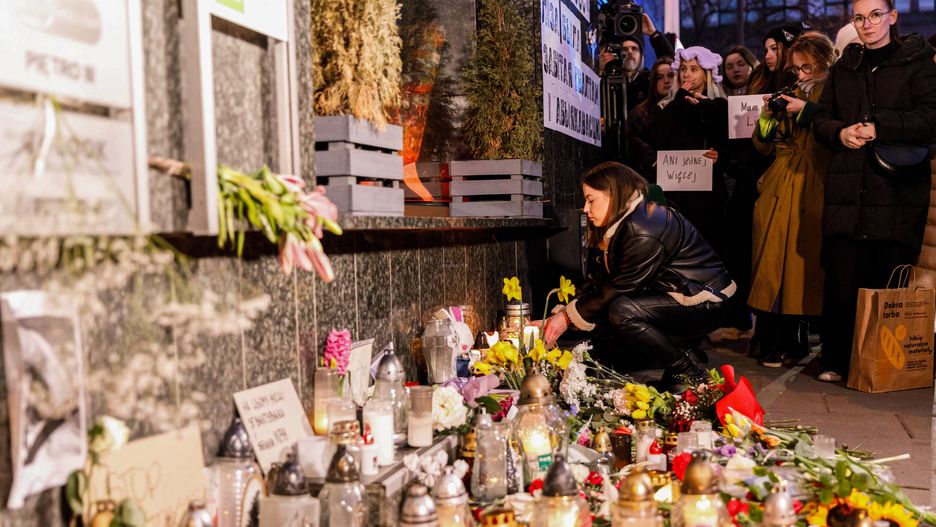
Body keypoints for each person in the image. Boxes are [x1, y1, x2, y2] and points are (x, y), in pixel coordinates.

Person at [812, 0, 936, 382]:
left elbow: (930, 118)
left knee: (887, 279)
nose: (867, 24)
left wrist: (879, 125)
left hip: (896, 191)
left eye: (875, 15)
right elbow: (819, 118)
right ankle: (835, 360)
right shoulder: (844, 68)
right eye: (860, 17)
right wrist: (840, 132)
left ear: (892, 17)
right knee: (842, 279)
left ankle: (881, 365)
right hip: (849, 189)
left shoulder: (917, 62)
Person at [539, 162, 736, 392]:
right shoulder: (624, 223)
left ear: (613, 194)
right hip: (680, 293)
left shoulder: (642, 227)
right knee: (615, 316)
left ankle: (688, 370)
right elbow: (600, 281)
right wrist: (563, 314)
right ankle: (682, 360)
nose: (585, 208)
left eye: (591, 200)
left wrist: (567, 319)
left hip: (705, 299)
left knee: (623, 312)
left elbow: (620, 287)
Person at [748, 32, 836, 368]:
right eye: (796, 68)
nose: (800, 74)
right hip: (778, 185)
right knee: (774, 266)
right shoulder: (790, 94)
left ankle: (804, 339)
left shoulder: (834, 93)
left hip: (814, 181)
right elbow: (763, 144)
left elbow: (833, 132)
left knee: (805, 267)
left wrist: (807, 111)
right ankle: (782, 338)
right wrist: (768, 116)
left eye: (807, 67)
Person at [646, 46, 728, 254]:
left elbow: (727, 142)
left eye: (693, 69)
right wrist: (680, 101)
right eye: (683, 69)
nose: (686, 74)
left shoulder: (719, 105)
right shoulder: (668, 106)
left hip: (708, 194)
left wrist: (721, 155)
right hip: (677, 192)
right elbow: (656, 138)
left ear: (706, 73)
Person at [598, 13, 676, 111]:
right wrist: (598, 71)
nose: (630, 52)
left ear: (642, 56)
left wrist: (654, 34)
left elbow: (670, 63)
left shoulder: (650, 80)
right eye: (625, 49)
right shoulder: (609, 81)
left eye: (634, 49)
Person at [626, 58, 674, 180]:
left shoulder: (688, 106)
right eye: (660, 77)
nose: (667, 81)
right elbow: (635, 142)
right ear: (653, 81)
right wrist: (655, 162)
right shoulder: (639, 113)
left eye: (671, 75)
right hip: (650, 176)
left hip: (684, 176)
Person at [748, 22, 811, 95]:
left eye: (774, 49)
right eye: (766, 51)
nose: (767, 56)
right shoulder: (758, 77)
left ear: (789, 50)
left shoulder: (804, 77)